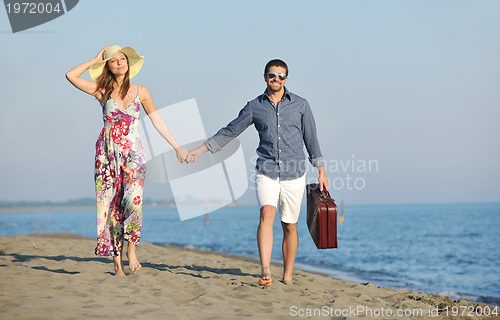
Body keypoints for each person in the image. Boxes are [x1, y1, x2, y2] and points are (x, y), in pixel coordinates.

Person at [186, 59, 329, 286]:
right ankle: (265, 270)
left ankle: (288, 276)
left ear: (286, 79)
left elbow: (311, 140)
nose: (276, 79)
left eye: (281, 76)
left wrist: (321, 171)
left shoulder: (301, 105)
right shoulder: (255, 106)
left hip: (295, 173)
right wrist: (201, 150)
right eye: (272, 75)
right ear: (265, 77)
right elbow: (230, 131)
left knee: (290, 225)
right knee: (266, 214)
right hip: (267, 169)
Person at [66, 45, 188, 276]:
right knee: (111, 205)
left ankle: (132, 249)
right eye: (114, 60)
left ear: (128, 64)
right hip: (107, 155)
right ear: (108, 66)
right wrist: (94, 59)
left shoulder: (141, 90)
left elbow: (157, 121)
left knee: (133, 202)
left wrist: (177, 147)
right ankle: (116, 263)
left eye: (123, 59)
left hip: (133, 155)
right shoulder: (101, 91)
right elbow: (70, 76)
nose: (120, 63)